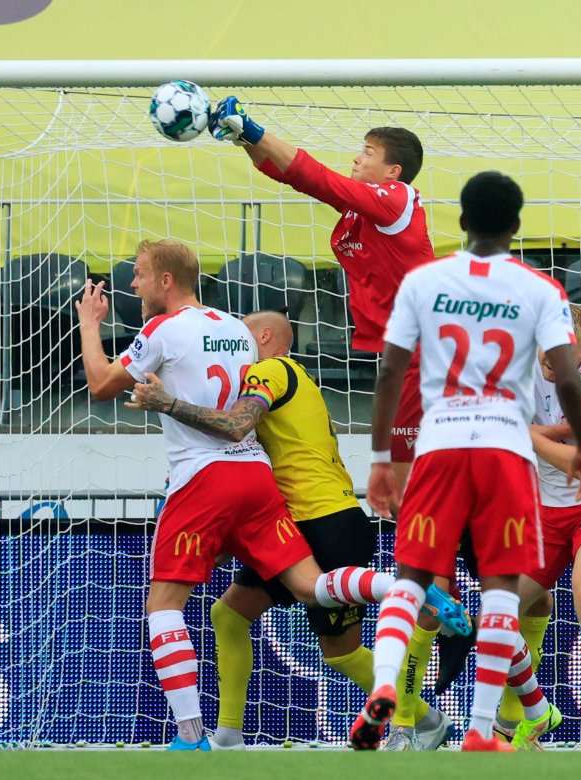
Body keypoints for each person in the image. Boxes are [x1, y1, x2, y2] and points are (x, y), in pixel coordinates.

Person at [77, 239, 459, 750]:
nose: (133, 283)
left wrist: (93, 325)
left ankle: (191, 737)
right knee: (245, 608)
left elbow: (108, 385)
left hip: (255, 493)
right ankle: (230, 734)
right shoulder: (235, 332)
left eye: (141, 273)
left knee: (166, 605)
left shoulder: (260, 365)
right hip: (264, 485)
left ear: (166, 280)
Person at [209, 100, 450, 748]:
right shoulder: (362, 210)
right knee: (399, 505)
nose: (356, 160)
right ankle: (425, 630)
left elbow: (313, 175)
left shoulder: (396, 202)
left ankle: (433, 611)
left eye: (366, 153)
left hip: (420, 358)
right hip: (395, 359)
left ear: (391, 168)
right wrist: (241, 141)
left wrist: (256, 127)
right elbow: (294, 175)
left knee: (406, 507)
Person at [351, 170, 581, 752]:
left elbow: (389, 369)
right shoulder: (540, 289)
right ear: (515, 226)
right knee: (501, 589)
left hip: (438, 443)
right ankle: (483, 729)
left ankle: (386, 688)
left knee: (411, 578)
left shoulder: (424, 280)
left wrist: (383, 456)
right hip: (504, 447)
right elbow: (566, 374)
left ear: (460, 221)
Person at [500, 303, 581, 752]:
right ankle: (538, 712)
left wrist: (531, 435)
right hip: (544, 510)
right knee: (494, 617)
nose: (549, 367)